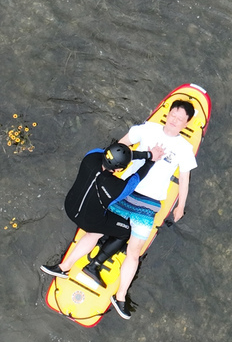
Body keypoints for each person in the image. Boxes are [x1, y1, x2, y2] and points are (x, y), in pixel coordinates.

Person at [104, 99, 198, 319]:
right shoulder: (147, 129)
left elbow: (184, 179)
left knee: (134, 251)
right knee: (99, 229)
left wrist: (181, 205)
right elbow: (122, 144)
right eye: (173, 114)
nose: (174, 120)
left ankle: (119, 297)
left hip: (150, 202)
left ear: (186, 123)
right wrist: (109, 165)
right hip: (125, 188)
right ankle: (68, 265)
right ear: (167, 113)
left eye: (180, 118)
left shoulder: (184, 148)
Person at [40, 141, 163, 287]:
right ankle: (94, 265)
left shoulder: (91, 156)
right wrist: (151, 159)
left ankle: (63, 267)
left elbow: (112, 153)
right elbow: (136, 178)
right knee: (124, 231)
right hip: (90, 221)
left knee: (96, 227)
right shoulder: (117, 188)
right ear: (118, 170)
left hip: (70, 207)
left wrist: (147, 154)